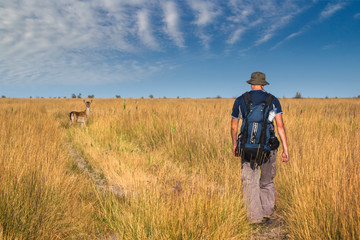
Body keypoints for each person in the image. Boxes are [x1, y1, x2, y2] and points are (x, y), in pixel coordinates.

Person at [230, 72, 289, 224]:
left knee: (250, 181)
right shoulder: (273, 100)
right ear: (263, 84)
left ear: (251, 83)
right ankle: (267, 214)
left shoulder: (240, 100)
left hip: (247, 147)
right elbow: (280, 126)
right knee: (267, 181)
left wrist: (235, 144)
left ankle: (254, 218)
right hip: (269, 147)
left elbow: (233, 126)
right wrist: (285, 149)